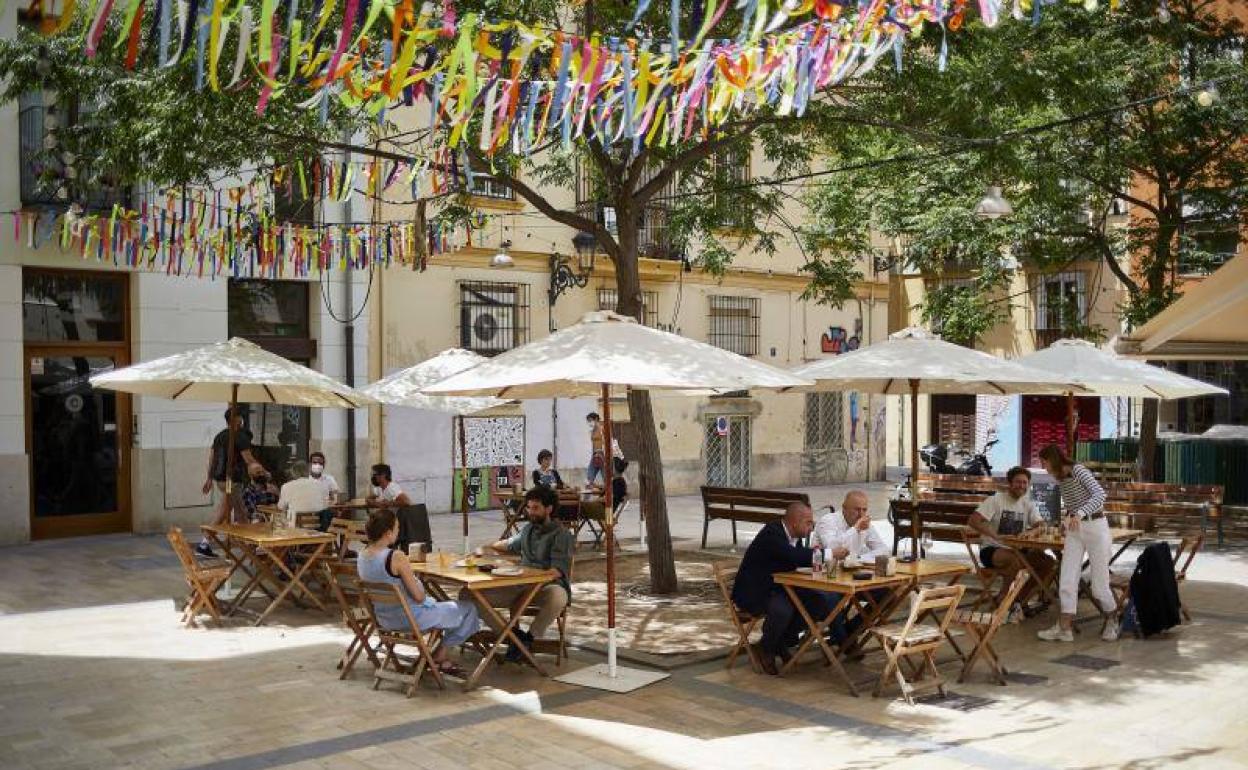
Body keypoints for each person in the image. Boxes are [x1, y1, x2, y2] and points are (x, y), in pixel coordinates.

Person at [357, 509, 479, 678]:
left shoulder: (362, 556)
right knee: (468, 608)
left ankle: (434, 654)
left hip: (384, 619)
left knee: (445, 608)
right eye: (397, 528)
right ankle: (441, 653)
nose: (399, 531)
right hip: (411, 618)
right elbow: (419, 597)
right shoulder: (395, 557)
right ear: (387, 533)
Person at [476, 486, 574, 663]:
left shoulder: (562, 535)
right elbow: (508, 544)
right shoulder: (528, 529)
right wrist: (486, 547)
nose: (530, 512)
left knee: (560, 595)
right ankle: (513, 637)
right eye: (528, 508)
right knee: (468, 594)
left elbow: (556, 571)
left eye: (535, 508)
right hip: (518, 586)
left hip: (544, 588)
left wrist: (532, 580)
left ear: (549, 509)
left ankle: (529, 638)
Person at [731, 502, 827, 675]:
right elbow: (793, 556)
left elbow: (794, 561)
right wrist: (828, 554)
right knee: (783, 610)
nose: (812, 527)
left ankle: (775, 643)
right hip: (755, 592)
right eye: (808, 522)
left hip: (777, 587)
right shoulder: (772, 533)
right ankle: (768, 649)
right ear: (795, 522)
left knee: (817, 603)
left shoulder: (793, 536)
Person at [1035, 444, 1119, 643]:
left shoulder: (1078, 470)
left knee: (1099, 585)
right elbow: (1073, 505)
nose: (1043, 466)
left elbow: (1099, 495)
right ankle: (1064, 628)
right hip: (1075, 530)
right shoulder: (1061, 478)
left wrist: (1080, 513)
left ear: (1053, 459)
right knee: (1067, 579)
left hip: (1096, 527)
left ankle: (1113, 619)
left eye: (1044, 462)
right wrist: (1068, 519)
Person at [968, 466, 1055, 616]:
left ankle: (1018, 599)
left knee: (1047, 562)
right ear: (1009, 483)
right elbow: (973, 521)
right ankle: (1004, 597)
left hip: (1017, 549)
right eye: (1018, 482)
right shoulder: (996, 500)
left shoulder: (1027, 503)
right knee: (1016, 559)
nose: (1021, 485)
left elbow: (1040, 524)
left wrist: (1033, 531)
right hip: (992, 549)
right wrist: (995, 535)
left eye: (1024, 482)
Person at [198, 407, 265, 556]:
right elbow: (249, 460)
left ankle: (207, 543)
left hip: (220, 479)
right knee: (234, 512)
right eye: (241, 417)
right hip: (232, 480)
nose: (242, 421)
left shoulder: (219, 436)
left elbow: (212, 458)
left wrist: (209, 478)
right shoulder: (239, 437)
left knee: (232, 511)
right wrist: (263, 471)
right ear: (236, 419)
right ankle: (250, 547)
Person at [812, 490, 889, 564]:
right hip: (823, 571)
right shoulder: (827, 520)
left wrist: (859, 559)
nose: (861, 514)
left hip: (850, 571)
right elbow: (831, 549)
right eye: (857, 509)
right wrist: (855, 529)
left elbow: (883, 550)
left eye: (864, 510)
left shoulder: (864, 524)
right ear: (844, 508)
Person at [277, 460, 333, 530]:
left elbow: (281, 507)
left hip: (295, 527)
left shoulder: (286, 486)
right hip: (319, 527)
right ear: (308, 472)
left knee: (281, 518)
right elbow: (326, 505)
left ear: (293, 473)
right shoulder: (321, 485)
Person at [585, 412, 605, 485]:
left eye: (590, 420)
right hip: (595, 454)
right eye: (588, 421)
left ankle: (609, 494)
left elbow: (607, 441)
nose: (590, 423)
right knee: (589, 479)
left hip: (602, 454)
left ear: (596, 419)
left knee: (606, 478)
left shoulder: (602, 429)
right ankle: (588, 494)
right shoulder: (593, 430)